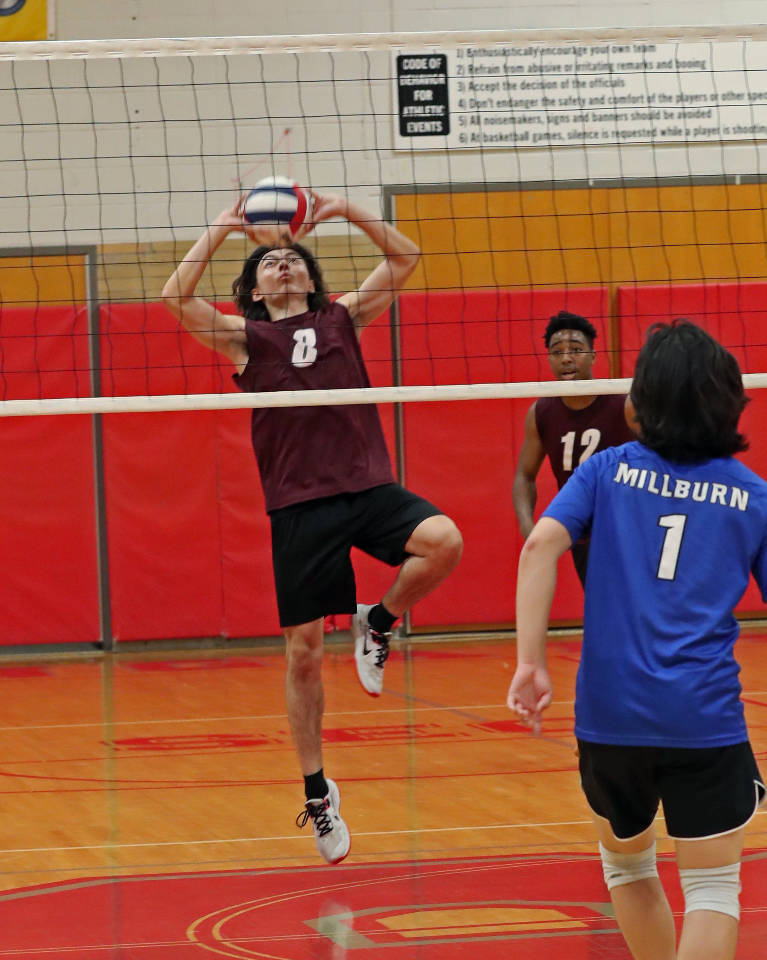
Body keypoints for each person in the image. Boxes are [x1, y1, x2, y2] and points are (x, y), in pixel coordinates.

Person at [162, 192, 462, 865]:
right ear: (255, 287)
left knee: (444, 541)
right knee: (302, 652)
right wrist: (223, 227)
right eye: (269, 262)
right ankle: (317, 789)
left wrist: (346, 209)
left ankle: (379, 622)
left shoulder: (343, 318)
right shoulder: (246, 338)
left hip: (367, 485)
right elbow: (174, 297)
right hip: (298, 505)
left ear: (308, 274)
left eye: (292, 258)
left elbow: (406, 256)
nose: (283, 266)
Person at [507, 319, 766, 960]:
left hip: (609, 715)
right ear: (729, 401)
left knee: (627, 867)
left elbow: (540, 545)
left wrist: (529, 663)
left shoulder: (604, 472)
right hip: (702, 715)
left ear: (635, 404)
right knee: (711, 888)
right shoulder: (753, 496)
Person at [512, 310, 633, 585]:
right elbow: (524, 476)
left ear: (593, 355)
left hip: (626, 524)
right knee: (602, 607)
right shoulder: (541, 412)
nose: (566, 358)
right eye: (557, 352)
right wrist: (528, 526)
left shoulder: (623, 404)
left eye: (576, 350)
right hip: (583, 531)